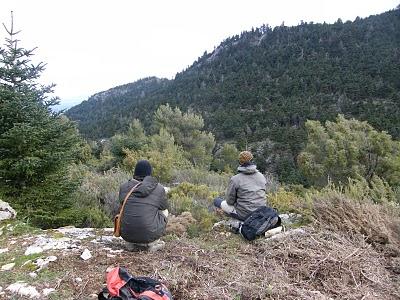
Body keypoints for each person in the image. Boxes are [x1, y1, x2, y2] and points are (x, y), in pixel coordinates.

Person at [118, 160, 168, 251]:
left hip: (127, 236)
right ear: (149, 173)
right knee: (164, 211)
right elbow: (163, 207)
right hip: (149, 235)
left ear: (135, 172)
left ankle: (131, 243)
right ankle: (152, 243)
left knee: (125, 207)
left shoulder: (124, 187)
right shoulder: (159, 188)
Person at [214, 151, 267, 222]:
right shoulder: (261, 176)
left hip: (244, 215)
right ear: (251, 160)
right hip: (260, 213)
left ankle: (226, 221)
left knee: (217, 201)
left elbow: (230, 202)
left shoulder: (235, 179)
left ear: (240, 162)